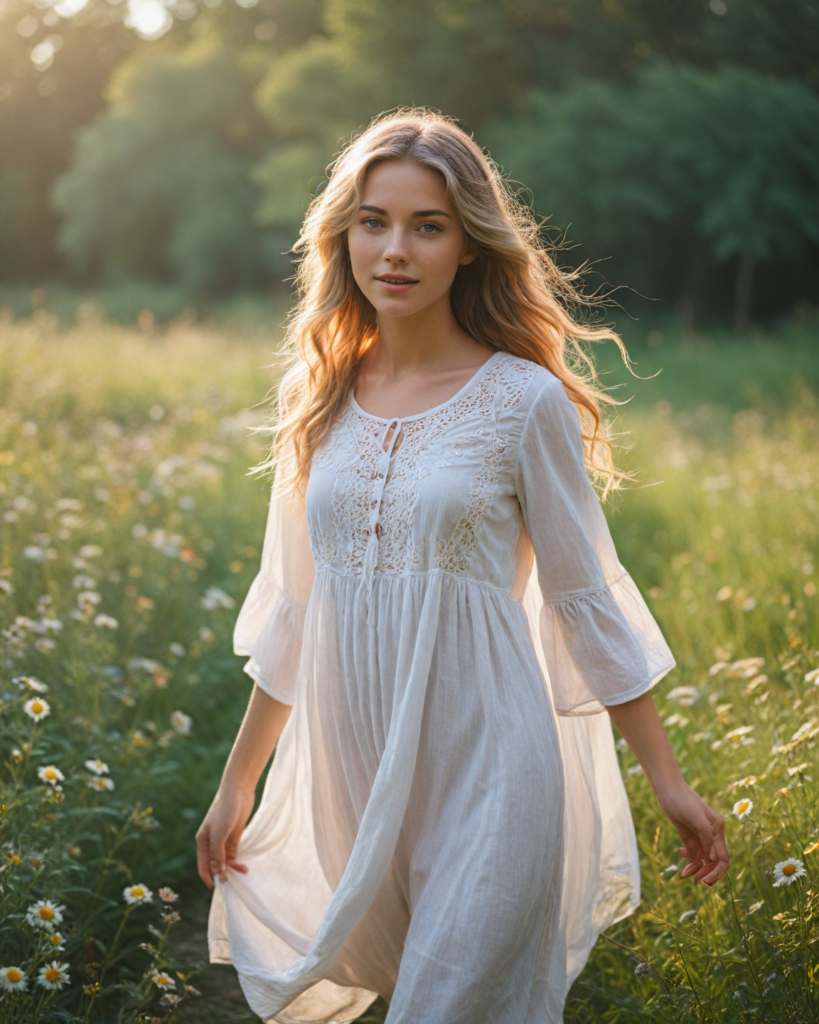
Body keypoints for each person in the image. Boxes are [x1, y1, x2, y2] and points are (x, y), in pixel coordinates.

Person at [196, 108, 729, 1024]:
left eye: (427, 226)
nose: (395, 250)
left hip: (492, 766)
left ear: (469, 245)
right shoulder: (319, 400)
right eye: (373, 222)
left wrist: (667, 781)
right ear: (343, 236)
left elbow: (584, 600)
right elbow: (295, 610)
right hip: (357, 771)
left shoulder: (523, 401)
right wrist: (237, 782)